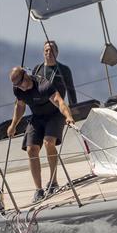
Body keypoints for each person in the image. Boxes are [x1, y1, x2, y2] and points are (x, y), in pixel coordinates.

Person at [7, 66, 76, 203]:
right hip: (37, 118)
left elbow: (59, 101)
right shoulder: (18, 89)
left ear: (25, 76)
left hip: (54, 116)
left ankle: (53, 182)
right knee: (31, 149)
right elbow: (20, 106)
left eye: (20, 84)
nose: (19, 88)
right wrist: (13, 125)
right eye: (16, 86)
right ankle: (38, 190)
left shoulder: (43, 85)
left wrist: (68, 116)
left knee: (48, 142)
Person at [32, 40, 77, 106]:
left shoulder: (64, 69)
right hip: (40, 110)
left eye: (52, 50)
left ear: (57, 53)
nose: (49, 53)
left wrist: (74, 109)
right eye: (46, 50)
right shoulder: (37, 69)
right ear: (43, 53)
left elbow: (71, 92)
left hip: (57, 109)